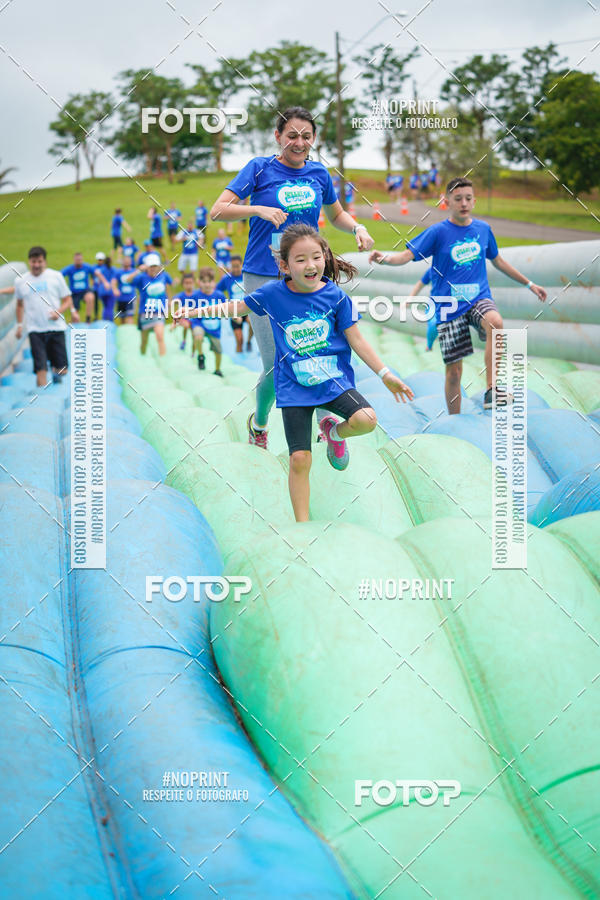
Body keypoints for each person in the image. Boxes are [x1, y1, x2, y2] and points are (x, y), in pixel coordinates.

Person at [188, 224, 413, 522]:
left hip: (333, 383)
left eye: (316, 257)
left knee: (366, 420)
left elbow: (357, 339)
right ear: (284, 265)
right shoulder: (273, 293)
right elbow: (238, 308)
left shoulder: (335, 296)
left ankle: (333, 431)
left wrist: (385, 374)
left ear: (325, 258)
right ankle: (302, 524)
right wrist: (191, 312)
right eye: (301, 259)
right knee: (299, 459)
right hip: (295, 388)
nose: (311, 265)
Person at [210, 105, 375, 451]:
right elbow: (218, 211)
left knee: (318, 351)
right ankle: (259, 422)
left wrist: (357, 227)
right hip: (264, 276)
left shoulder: (319, 174)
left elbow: (337, 215)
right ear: (278, 137)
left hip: (310, 277)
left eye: (306, 136)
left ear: (313, 139)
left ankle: (328, 427)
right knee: (275, 364)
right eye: (292, 136)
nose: (299, 142)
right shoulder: (259, 168)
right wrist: (257, 208)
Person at [369, 176, 547, 412]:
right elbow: (405, 257)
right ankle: (454, 419)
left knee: (495, 321)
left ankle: (492, 391)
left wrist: (530, 284)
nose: (463, 203)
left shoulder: (483, 230)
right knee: (454, 371)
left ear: (474, 201)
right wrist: (384, 259)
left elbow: (500, 262)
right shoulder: (437, 232)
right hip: (448, 307)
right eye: (458, 199)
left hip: (477, 299)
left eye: (468, 198)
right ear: (447, 201)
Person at [12, 246, 78, 387]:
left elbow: (68, 300)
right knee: (40, 368)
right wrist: (19, 326)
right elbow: (19, 304)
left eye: (39, 262)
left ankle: (56, 375)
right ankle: (41, 396)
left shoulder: (55, 277)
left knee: (62, 369)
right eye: (33, 262)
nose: (36, 265)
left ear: (45, 262)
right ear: (29, 261)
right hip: (35, 330)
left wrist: (58, 312)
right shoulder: (20, 281)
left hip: (56, 328)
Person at [122, 253, 171, 355]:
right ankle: (142, 356)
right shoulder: (142, 278)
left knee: (160, 336)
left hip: (159, 312)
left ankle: (163, 361)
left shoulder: (163, 276)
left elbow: (168, 287)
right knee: (144, 341)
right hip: (145, 313)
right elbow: (127, 280)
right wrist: (138, 270)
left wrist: (169, 301)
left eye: (155, 266)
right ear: (147, 267)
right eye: (151, 266)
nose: (153, 269)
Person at [185, 267, 225, 375]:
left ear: (214, 282)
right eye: (204, 282)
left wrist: (236, 317)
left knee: (218, 350)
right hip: (200, 323)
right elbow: (188, 309)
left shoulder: (219, 296)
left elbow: (229, 308)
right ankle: (201, 356)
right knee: (198, 335)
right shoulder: (196, 296)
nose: (207, 284)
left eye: (209, 281)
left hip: (214, 327)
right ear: (199, 282)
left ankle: (217, 369)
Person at [217, 255, 253, 353]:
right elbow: (216, 291)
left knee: (252, 324)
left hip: (247, 307)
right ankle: (239, 351)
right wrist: (225, 302)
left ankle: (249, 341)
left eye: (237, 266)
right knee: (239, 340)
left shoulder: (247, 276)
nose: (235, 269)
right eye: (233, 266)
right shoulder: (227, 278)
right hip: (234, 311)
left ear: (242, 265)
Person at [409, 266, 438, 351]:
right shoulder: (432, 270)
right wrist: (409, 299)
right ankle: (429, 346)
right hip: (434, 304)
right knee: (433, 323)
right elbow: (419, 285)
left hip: (451, 304)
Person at [61, 252, 96, 320]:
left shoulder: (86, 267)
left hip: (85, 291)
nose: (79, 262)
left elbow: (96, 273)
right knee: (75, 317)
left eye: (80, 260)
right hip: (74, 293)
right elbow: (59, 275)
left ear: (82, 260)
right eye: (77, 260)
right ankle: (75, 326)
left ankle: (88, 319)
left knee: (90, 297)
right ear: (74, 260)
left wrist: (103, 281)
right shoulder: (70, 268)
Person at [172, 271, 195, 351]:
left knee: (194, 334)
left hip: (195, 318)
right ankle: (184, 340)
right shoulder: (181, 295)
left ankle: (193, 352)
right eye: (186, 283)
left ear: (194, 283)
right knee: (186, 326)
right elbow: (172, 301)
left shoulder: (196, 294)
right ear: (183, 284)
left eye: (190, 283)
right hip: (184, 318)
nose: (188, 285)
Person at [111, 256, 138, 324]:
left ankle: (130, 332)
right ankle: (123, 333)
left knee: (130, 316)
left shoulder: (133, 272)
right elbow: (113, 281)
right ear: (122, 262)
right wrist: (115, 289)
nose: (126, 263)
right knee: (122, 317)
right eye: (125, 261)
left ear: (131, 262)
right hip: (121, 298)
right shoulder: (119, 272)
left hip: (131, 298)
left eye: (128, 261)